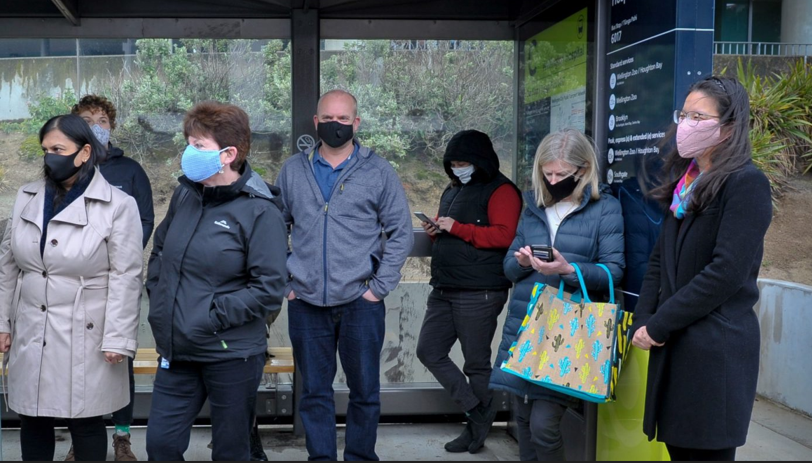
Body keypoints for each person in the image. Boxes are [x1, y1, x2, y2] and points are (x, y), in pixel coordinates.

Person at [630, 76, 773, 461]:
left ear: (728, 127)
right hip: (677, 347)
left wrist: (660, 324)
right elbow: (660, 259)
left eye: (698, 116)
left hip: (714, 354)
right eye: (684, 114)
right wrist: (643, 317)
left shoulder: (747, 184)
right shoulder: (687, 183)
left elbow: (725, 273)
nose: (685, 125)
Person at [144, 101, 287, 461]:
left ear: (229, 154)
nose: (189, 152)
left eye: (199, 145)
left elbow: (268, 290)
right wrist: (161, 297)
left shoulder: (260, 211)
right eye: (189, 143)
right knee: (161, 445)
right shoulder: (186, 194)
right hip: (177, 350)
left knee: (230, 451)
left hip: (230, 355)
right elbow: (161, 251)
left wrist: (209, 316)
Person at [275, 89, 413, 461]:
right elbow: (272, 229)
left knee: (365, 391)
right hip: (305, 303)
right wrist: (287, 285)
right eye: (328, 118)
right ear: (316, 122)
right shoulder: (292, 170)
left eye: (344, 118)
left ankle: (359, 457)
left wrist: (379, 288)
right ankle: (321, 457)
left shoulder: (378, 171)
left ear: (356, 123)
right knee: (314, 393)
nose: (336, 125)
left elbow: (400, 231)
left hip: (360, 302)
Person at [0, 114, 143, 461]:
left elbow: (127, 276)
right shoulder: (26, 196)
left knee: (86, 419)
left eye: (59, 149)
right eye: (46, 149)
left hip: (87, 330)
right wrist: (2, 322)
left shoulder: (118, 206)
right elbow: (7, 265)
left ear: (84, 153)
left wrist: (118, 337)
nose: (50, 156)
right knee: (32, 417)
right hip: (32, 326)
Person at [490, 129, 625, 461]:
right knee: (523, 421)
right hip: (525, 329)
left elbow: (614, 270)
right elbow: (508, 267)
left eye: (561, 174)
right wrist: (522, 261)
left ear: (583, 170)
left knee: (543, 426)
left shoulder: (604, 208)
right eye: (546, 173)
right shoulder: (532, 205)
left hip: (567, 334)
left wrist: (567, 269)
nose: (552, 180)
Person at [415, 130, 522, 454]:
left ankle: (476, 429)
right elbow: (453, 236)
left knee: (476, 363)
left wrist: (455, 228)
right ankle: (477, 409)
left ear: (480, 161)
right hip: (445, 286)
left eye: (463, 162)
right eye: (453, 163)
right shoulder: (453, 189)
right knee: (428, 350)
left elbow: (505, 236)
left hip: (480, 290)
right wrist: (435, 232)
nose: (458, 168)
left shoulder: (502, 191)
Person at [69, 93, 155, 462]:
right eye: (87, 120)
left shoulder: (130, 171)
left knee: (119, 358)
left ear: (112, 127)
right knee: (77, 362)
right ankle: (81, 438)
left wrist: (121, 259)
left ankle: (122, 437)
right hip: (76, 286)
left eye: (102, 120)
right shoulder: (65, 167)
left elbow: (145, 220)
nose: (96, 126)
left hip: (118, 283)